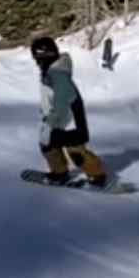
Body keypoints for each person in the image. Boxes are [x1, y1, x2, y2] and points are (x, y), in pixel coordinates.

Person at [31, 36, 108, 187]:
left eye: (37, 58)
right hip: (57, 118)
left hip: (69, 121)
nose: (36, 62)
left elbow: (62, 101)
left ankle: (97, 175)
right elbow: (51, 97)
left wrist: (51, 122)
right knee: (48, 145)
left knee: (75, 150)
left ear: (44, 55)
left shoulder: (58, 74)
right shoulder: (51, 71)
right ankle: (59, 173)